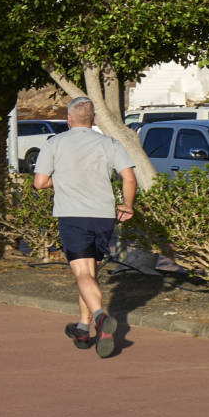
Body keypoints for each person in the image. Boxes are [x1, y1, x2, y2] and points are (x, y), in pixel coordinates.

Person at [33, 96, 137, 358]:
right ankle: (82, 328)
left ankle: (101, 318)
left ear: (68, 119)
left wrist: (64, 180)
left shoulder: (55, 143)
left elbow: (40, 183)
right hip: (103, 216)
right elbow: (129, 177)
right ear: (94, 120)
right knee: (89, 274)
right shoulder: (108, 143)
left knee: (81, 274)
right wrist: (128, 205)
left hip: (73, 215)